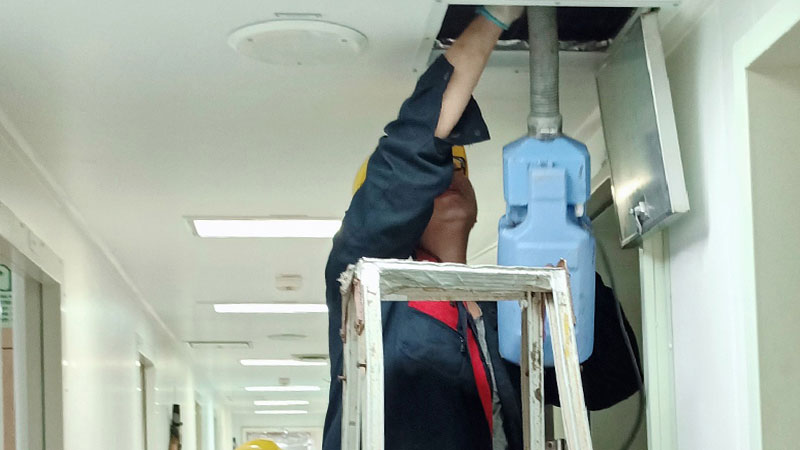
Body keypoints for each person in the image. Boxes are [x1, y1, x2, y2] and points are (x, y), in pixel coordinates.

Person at [323, 6, 641, 450]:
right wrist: (495, 15)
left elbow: (609, 383)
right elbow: (412, 147)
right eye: (433, 174)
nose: (450, 180)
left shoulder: (505, 310)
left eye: (459, 170)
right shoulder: (371, 286)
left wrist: (572, 256)